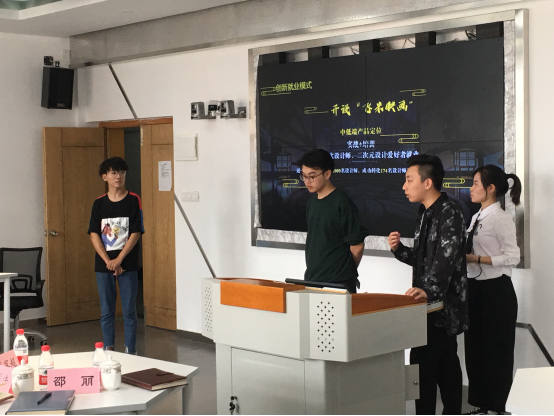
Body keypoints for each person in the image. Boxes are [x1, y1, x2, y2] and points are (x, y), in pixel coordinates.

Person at [388, 154, 468, 415]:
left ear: (428, 182)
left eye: (409, 180)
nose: (404, 186)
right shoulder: (425, 212)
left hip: (442, 308)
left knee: (430, 368)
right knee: (443, 367)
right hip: (428, 307)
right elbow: (423, 260)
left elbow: (447, 258)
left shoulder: (450, 212)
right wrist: (399, 250)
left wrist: (429, 290)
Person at [464, 166, 521, 416]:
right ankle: (482, 405)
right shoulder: (477, 216)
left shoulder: (500, 218)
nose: (471, 188)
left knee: (496, 353)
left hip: (496, 292)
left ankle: (498, 407)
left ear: (490, 188)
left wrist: (476, 259)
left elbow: (513, 257)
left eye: (476, 183)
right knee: (475, 350)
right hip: (475, 290)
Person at [88, 157, 144, 355]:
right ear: (105, 176)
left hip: (127, 263)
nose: (118, 176)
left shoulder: (133, 200)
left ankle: (131, 350)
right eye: (113, 172)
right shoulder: (99, 203)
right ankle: (108, 349)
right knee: (107, 311)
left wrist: (119, 260)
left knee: (129, 310)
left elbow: (136, 232)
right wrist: (108, 261)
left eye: (122, 172)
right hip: (104, 264)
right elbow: (94, 233)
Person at [299, 149, 369, 293]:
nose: (307, 181)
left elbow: (357, 245)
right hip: (313, 278)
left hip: (338, 283)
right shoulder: (311, 203)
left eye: (312, 176)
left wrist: (344, 271)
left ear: (327, 174)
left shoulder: (342, 202)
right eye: (304, 176)